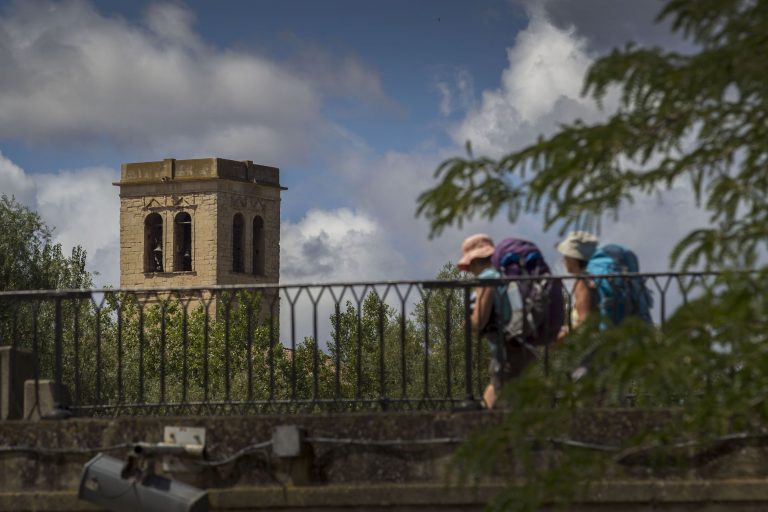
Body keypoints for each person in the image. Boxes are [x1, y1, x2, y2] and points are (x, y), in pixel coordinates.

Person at [457, 234, 529, 409]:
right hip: (523, 343)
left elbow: (480, 320)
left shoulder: (488, 278)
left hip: (507, 347)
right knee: (502, 392)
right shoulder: (504, 275)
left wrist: (467, 324)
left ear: (474, 261)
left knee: (498, 393)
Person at [555, 231, 599, 343]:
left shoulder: (583, 284)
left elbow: (585, 322)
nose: (563, 260)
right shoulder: (591, 279)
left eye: (566, 256)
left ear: (574, 258)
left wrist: (560, 339)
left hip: (588, 350)